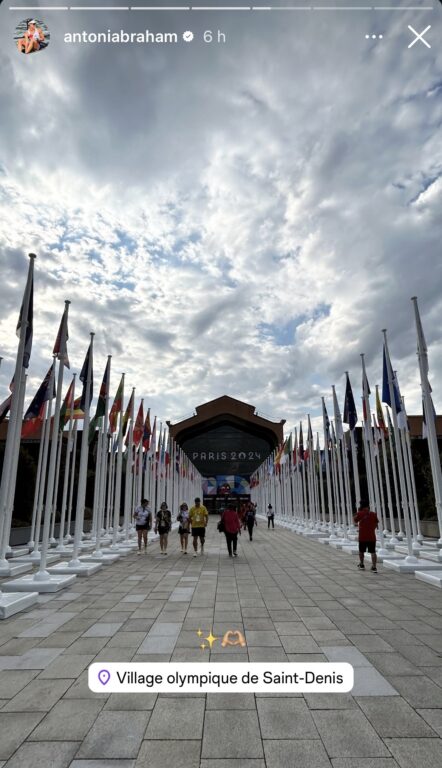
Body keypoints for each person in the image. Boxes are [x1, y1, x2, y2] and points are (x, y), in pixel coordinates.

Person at [354, 499, 379, 572]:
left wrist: (358, 512)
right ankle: (374, 567)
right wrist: (371, 529)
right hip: (371, 536)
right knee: (373, 552)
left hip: (362, 536)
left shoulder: (360, 513)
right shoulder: (373, 514)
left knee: (361, 551)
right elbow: (376, 524)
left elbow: (355, 520)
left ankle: (362, 564)